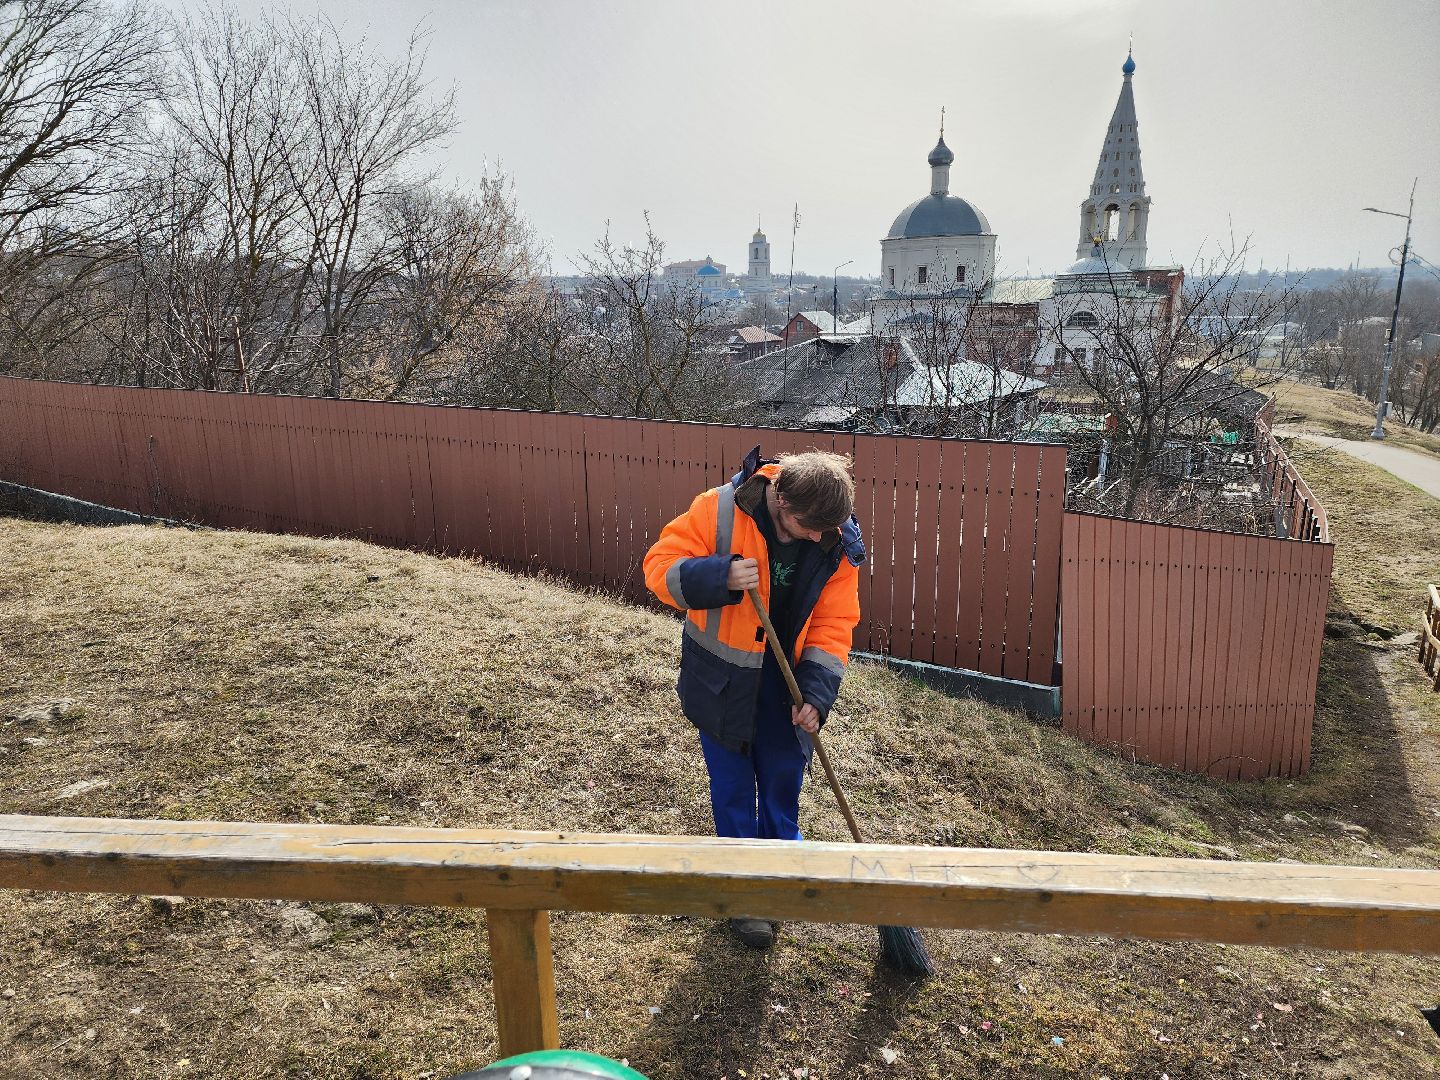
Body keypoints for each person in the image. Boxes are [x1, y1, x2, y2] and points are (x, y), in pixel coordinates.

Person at [643, 446, 864, 950]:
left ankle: (781, 871)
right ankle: (744, 890)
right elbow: (658, 567)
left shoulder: (835, 539)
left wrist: (816, 693)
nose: (817, 537)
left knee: (784, 779)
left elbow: (834, 624)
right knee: (734, 786)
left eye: (826, 529)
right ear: (780, 500)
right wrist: (717, 575)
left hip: (788, 685)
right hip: (724, 681)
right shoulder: (717, 509)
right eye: (809, 526)